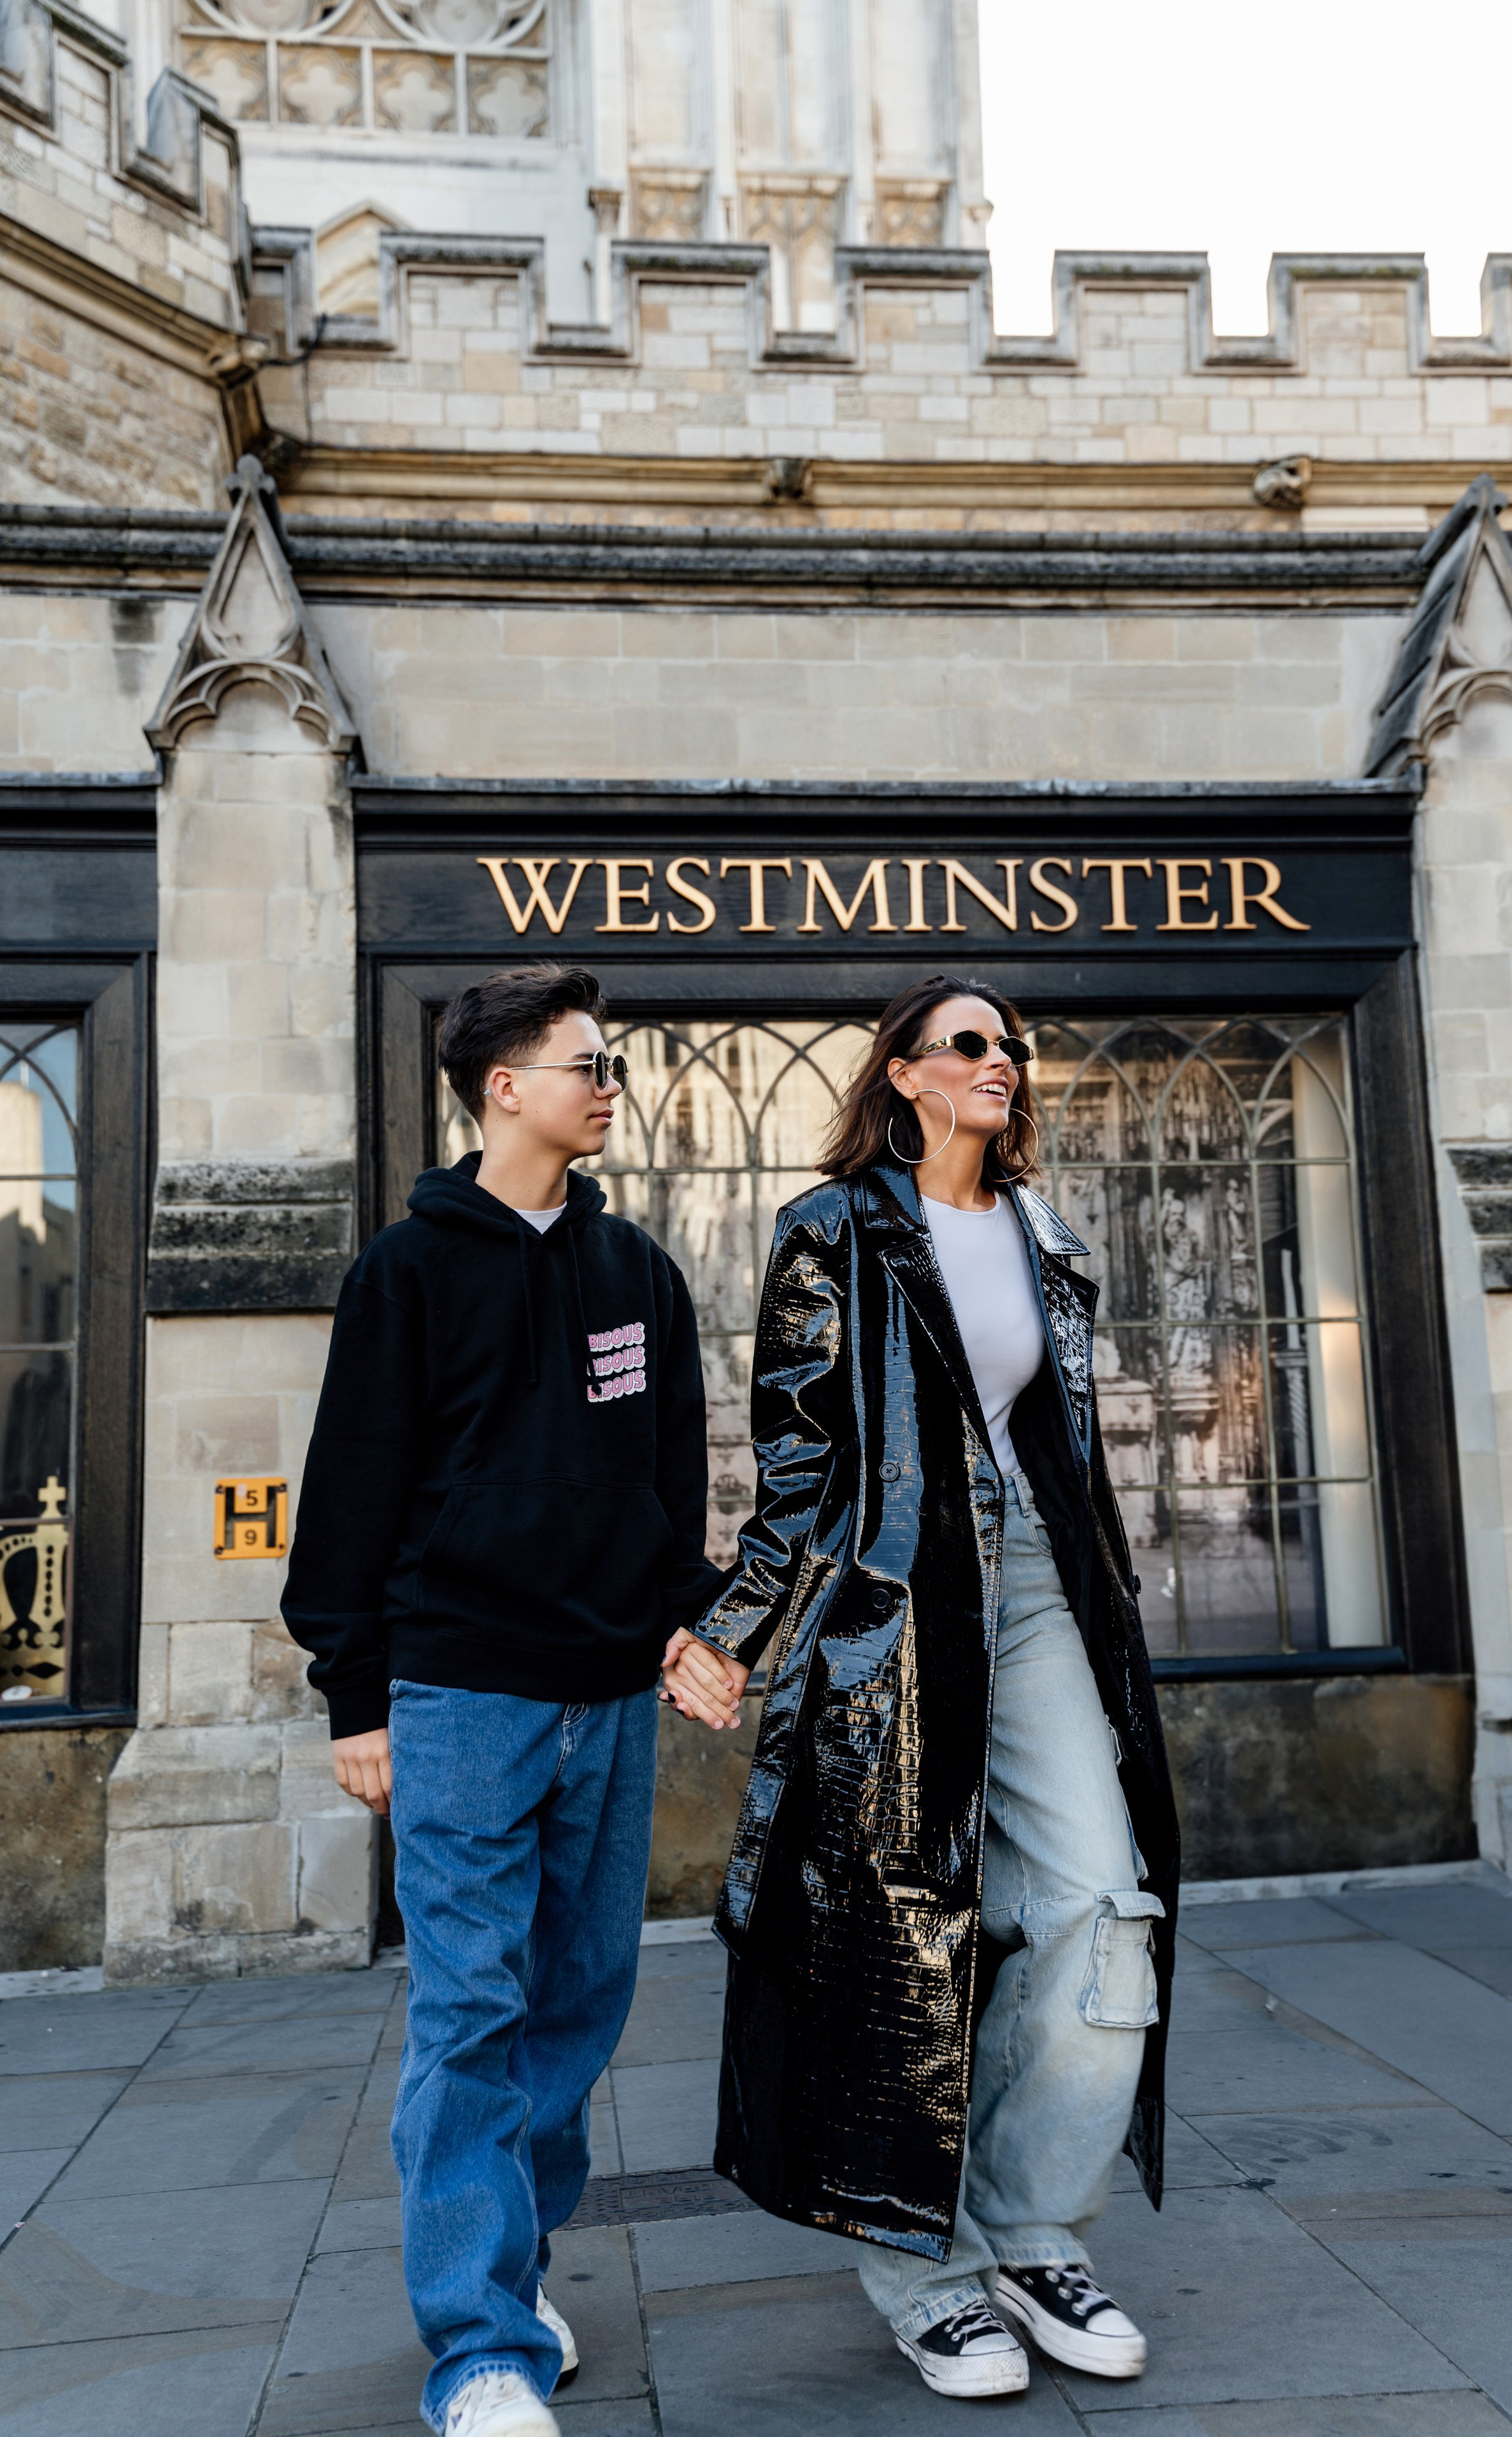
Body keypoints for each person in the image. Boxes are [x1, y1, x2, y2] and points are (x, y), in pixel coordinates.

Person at [662, 975, 1180, 2402]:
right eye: (968, 1043)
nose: (999, 1060)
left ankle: (1024, 2226)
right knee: (903, 1929)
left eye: (1011, 1043)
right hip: (893, 1607)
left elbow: (1063, 1463)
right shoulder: (831, 1232)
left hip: (1039, 1598)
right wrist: (738, 1626)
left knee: (1099, 1903)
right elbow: (798, 1463)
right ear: (900, 1074)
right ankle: (924, 2273)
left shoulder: (1045, 1236)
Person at [283, 964, 717, 2437]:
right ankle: (476, 2347)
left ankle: (508, 2264)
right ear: (502, 1087)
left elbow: (671, 1485)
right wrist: (355, 1696)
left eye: (612, 1063)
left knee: (578, 2007)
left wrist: (682, 1629)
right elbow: (349, 1493)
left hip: (611, 1694)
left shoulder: (636, 1272)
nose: (609, 1083)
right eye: (583, 1062)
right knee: (472, 2010)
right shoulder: (408, 1270)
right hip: (462, 1693)